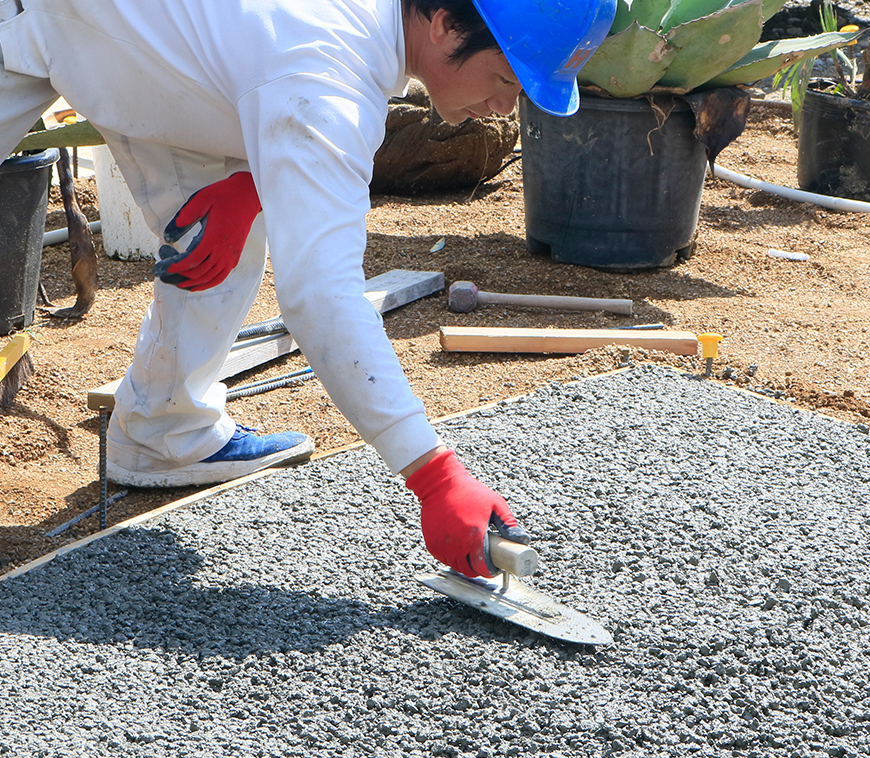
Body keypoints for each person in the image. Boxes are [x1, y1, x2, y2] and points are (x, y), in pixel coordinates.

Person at [0, 0, 616, 578]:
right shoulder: (328, 78)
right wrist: (435, 476)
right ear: (447, 27)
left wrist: (254, 182)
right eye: (507, 79)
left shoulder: (346, 47)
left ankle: (164, 431)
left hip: (118, 33)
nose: (504, 108)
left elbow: (257, 57)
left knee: (220, 235)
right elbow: (321, 296)